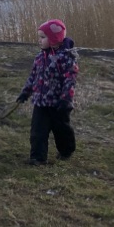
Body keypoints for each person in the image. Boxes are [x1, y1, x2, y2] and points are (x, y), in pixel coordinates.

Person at [16, 19, 78, 166]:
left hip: (59, 104)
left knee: (61, 130)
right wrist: (25, 92)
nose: (39, 40)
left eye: (43, 37)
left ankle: (66, 151)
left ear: (54, 38)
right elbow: (33, 77)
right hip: (40, 102)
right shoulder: (39, 57)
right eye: (39, 37)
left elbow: (70, 80)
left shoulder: (66, 58)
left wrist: (66, 99)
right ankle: (37, 158)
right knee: (37, 132)